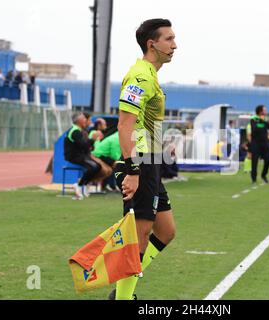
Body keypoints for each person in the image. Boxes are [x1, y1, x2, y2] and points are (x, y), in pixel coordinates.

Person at [109, 18, 177, 300]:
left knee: (166, 230)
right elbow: (125, 125)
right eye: (169, 39)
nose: (175, 45)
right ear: (152, 44)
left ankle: (123, 291)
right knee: (139, 236)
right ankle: (123, 298)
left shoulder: (151, 74)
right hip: (141, 162)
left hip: (152, 161)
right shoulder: (140, 76)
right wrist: (132, 170)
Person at [64, 112, 103, 200]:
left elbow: (85, 146)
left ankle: (84, 185)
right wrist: (93, 139)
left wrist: (92, 144)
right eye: (84, 118)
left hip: (81, 155)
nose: (86, 120)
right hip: (74, 157)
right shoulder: (75, 131)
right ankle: (79, 185)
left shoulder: (79, 130)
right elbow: (84, 145)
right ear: (79, 121)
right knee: (93, 167)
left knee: (98, 166)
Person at [248, 105, 269, 184]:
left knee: (268, 160)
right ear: (260, 111)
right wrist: (261, 122)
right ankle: (254, 179)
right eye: (264, 110)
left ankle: (263, 175)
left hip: (265, 144)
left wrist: (263, 122)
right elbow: (255, 129)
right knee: (254, 162)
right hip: (256, 144)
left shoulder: (265, 120)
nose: (266, 111)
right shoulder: (253, 119)